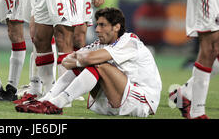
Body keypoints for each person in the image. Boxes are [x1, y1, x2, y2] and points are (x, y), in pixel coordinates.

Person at [16, 7, 162, 117]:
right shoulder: (100, 43)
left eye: (102, 25)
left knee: (98, 65)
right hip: (118, 98)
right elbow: (67, 61)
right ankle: (47, 99)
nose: (97, 29)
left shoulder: (129, 42)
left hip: (142, 100)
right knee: (90, 63)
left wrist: (82, 59)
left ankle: (57, 103)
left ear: (116, 27)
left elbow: (87, 59)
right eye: (97, 24)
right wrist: (81, 59)